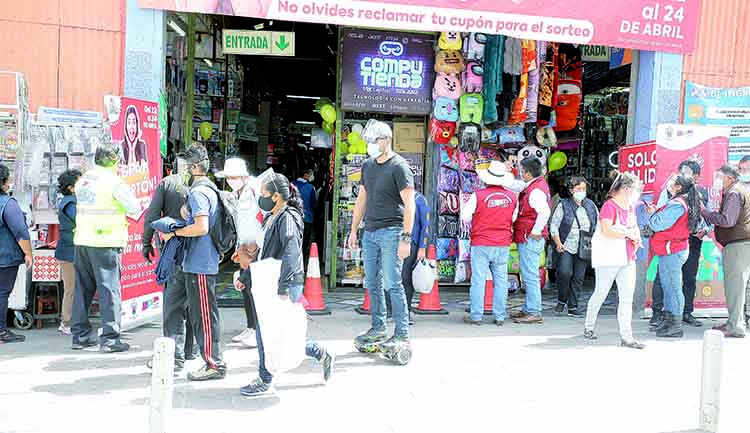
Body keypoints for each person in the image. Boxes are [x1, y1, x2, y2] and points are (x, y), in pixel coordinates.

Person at [235, 173, 334, 397]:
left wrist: (284, 286)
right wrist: (246, 277)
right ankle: (320, 353)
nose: (261, 198)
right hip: (270, 280)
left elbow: (292, 250)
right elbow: (262, 254)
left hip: (281, 283)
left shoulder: (287, 217)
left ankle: (265, 378)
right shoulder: (274, 215)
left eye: (264, 194)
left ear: (277, 196)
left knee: (269, 333)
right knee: (281, 333)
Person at [347, 120, 415, 349]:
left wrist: (406, 238)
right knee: (373, 282)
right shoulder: (368, 165)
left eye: (373, 141)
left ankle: (402, 333)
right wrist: (353, 229)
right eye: (368, 141)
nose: (370, 145)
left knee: (393, 283)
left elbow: (409, 205)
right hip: (371, 231)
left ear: (386, 140)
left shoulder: (399, 166)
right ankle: (378, 327)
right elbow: (362, 198)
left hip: (392, 231)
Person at [163, 145, 227, 380]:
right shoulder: (202, 189)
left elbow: (201, 227)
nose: (183, 168)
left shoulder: (200, 192)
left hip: (200, 263)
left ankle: (214, 364)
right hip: (189, 262)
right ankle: (171, 357)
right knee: (172, 306)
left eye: (186, 164)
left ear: (195, 167)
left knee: (203, 316)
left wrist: (174, 234)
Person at [71, 146, 142, 353]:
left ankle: (80, 336)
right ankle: (110, 339)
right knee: (109, 291)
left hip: (82, 240)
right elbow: (134, 208)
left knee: (82, 290)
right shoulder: (113, 182)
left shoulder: (84, 180)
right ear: (114, 160)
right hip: (105, 242)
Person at [142, 155, 197, 370]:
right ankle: (189, 350)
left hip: (173, 248)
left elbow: (152, 216)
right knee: (191, 301)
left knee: (173, 304)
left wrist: (146, 243)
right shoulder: (202, 186)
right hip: (196, 250)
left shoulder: (168, 183)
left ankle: (172, 357)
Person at [584, 172, 645, 349]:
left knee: (626, 298)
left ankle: (627, 337)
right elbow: (607, 231)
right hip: (610, 257)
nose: (637, 193)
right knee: (601, 292)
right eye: (635, 190)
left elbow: (632, 227)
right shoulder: (609, 206)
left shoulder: (631, 207)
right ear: (626, 189)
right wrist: (628, 233)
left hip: (628, 257)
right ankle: (589, 326)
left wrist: (635, 236)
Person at [650, 160, 709, 329]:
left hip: (681, 243)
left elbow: (706, 215)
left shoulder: (688, 198)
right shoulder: (671, 196)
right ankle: (660, 314)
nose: (683, 174)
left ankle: (679, 318)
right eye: (681, 171)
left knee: (681, 282)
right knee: (666, 281)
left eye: (688, 172)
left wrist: (704, 229)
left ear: (696, 176)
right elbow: (662, 213)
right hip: (674, 242)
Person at [462, 160, 518, 325]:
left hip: (481, 242)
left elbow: (465, 216)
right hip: (502, 244)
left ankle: (476, 316)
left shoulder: (478, 195)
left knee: (478, 280)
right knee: (501, 281)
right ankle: (499, 316)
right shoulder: (512, 197)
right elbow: (513, 218)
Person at [645, 175, 701, 338]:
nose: (668, 184)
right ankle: (669, 319)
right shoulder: (681, 201)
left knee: (673, 288)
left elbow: (659, 223)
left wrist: (651, 219)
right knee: (669, 287)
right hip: (671, 249)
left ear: (678, 187)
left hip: (672, 250)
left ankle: (675, 324)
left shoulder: (677, 204)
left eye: (672, 183)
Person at [218, 158, 262, 348]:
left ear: (244, 176)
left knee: (255, 289)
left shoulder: (256, 189)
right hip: (243, 247)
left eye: (233, 177)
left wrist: (259, 245)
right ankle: (250, 326)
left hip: (257, 248)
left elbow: (267, 216)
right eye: (228, 178)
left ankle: (258, 330)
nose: (230, 181)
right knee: (245, 288)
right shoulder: (237, 193)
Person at [701, 165, 750, 338]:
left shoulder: (734, 193)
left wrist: (705, 212)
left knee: (735, 287)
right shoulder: (740, 189)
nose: (716, 180)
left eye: (719, 177)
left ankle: (735, 326)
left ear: (729, 178)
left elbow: (727, 221)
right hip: (740, 244)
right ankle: (734, 322)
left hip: (738, 245)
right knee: (738, 287)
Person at [510, 157, 551, 324]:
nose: (520, 174)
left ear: (527, 173)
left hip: (530, 237)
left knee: (530, 275)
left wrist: (536, 230)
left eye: (521, 171)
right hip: (527, 235)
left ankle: (534, 311)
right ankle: (529, 308)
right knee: (528, 274)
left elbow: (545, 212)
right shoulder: (535, 186)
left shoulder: (535, 191)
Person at [550, 176, 598, 318]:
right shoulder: (563, 204)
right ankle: (562, 299)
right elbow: (554, 225)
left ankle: (573, 306)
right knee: (564, 273)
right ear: (571, 190)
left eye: (583, 189)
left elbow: (598, 223)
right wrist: (558, 243)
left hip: (585, 245)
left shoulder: (590, 205)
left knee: (578, 277)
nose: (581, 191)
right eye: (578, 189)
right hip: (566, 244)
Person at [385, 188, 429, 325]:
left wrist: (422, 247)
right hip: (390, 242)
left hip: (411, 244)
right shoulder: (391, 196)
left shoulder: (419, 199)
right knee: (389, 277)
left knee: (405, 278)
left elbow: (425, 226)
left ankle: (405, 312)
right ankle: (390, 312)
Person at [0, 163, 31, 344]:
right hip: (4, 258)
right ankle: (1, 332)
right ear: (4, 183)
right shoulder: (8, 204)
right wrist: (28, 253)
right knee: (2, 293)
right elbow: (21, 231)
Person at [55, 169, 81, 336]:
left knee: (75, 287)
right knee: (71, 288)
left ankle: (72, 320)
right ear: (71, 187)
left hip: (71, 249)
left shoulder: (70, 201)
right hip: (68, 251)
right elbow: (81, 220)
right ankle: (66, 322)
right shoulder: (70, 203)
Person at [292, 168, 318, 269]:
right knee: (304, 242)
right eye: (311, 174)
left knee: (292, 242)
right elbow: (314, 204)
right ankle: (301, 265)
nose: (312, 176)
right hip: (306, 219)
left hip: (292, 218)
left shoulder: (291, 185)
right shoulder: (311, 188)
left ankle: (292, 265)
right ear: (306, 175)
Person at [737, 155, 750, 325]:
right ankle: (741, 316)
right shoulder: (736, 189)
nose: (743, 172)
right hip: (740, 240)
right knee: (741, 280)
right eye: (740, 169)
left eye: (746, 169)